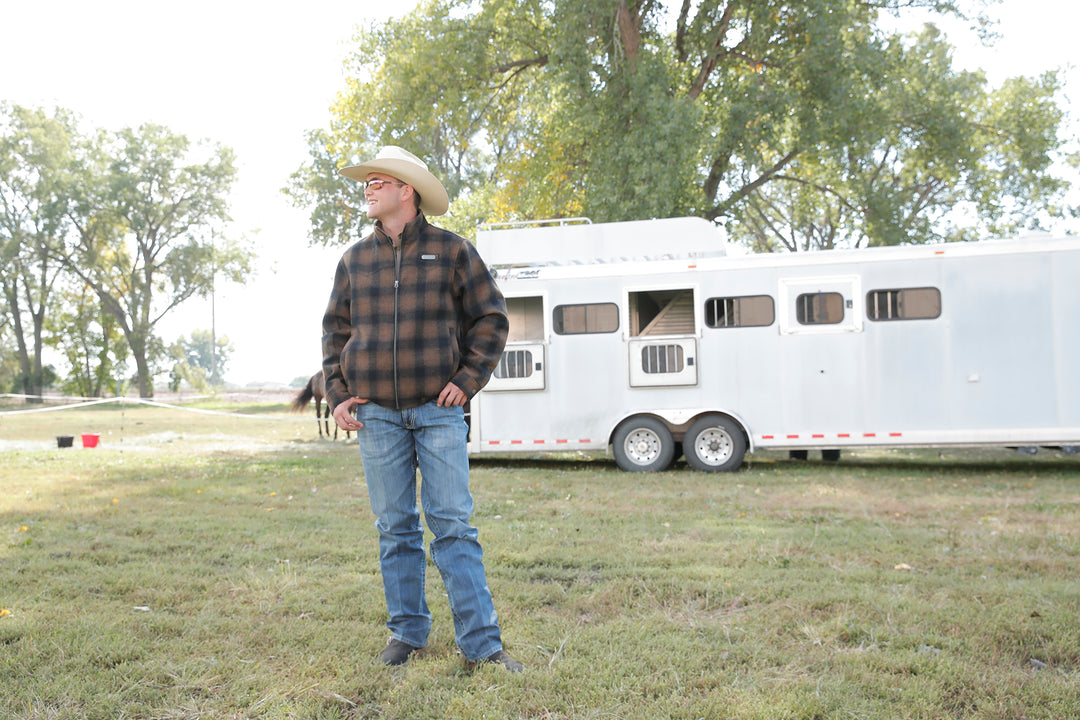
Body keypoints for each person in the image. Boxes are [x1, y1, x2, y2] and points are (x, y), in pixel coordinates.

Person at [322, 146, 522, 672]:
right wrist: (338, 394)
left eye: (378, 181)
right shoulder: (352, 261)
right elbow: (334, 333)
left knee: (453, 526)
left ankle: (483, 646)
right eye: (366, 183)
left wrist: (467, 378)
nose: (368, 189)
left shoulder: (454, 251)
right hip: (377, 417)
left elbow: (491, 319)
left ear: (405, 190)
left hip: (437, 412)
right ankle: (408, 635)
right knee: (395, 529)